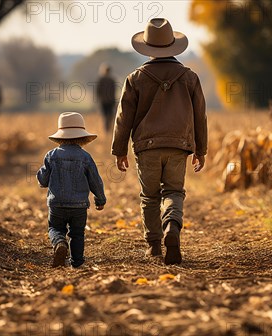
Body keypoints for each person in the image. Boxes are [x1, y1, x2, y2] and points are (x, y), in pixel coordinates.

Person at [111, 18, 207, 265]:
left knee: (150, 196)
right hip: (178, 146)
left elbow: (124, 117)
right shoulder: (190, 77)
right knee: (174, 191)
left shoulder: (135, 78)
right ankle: (172, 228)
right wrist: (201, 149)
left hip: (147, 147)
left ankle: (154, 246)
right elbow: (200, 115)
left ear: (147, 47)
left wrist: (119, 150)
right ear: (173, 45)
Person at [37, 112, 107, 268]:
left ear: (60, 136)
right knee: (77, 234)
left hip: (57, 204)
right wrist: (100, 199)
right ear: (82, 137)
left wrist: (42, 179)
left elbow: (43, 179)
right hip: (79, 206)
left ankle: (59, 243)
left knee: (55, 228)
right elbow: (95, 180)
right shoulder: (85, 157)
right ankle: (77, 262)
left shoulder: (51, 156)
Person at [96, 63, 117, 133]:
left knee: (106, 116)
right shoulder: (112, 80)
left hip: (104, 101)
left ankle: (106, 130)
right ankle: (108, 129)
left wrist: (99, 98)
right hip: (110, 101)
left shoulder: (101, 80)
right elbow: (114, 91)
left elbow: (98, 91)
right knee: (109, 116)